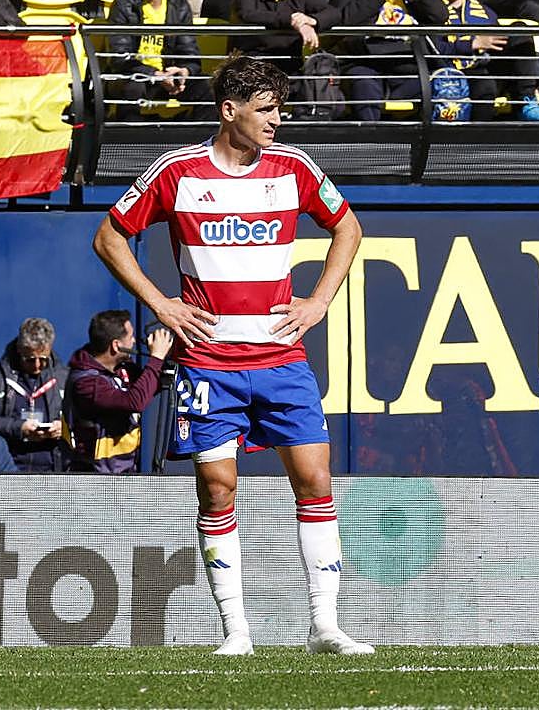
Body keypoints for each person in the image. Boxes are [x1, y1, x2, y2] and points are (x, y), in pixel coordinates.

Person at [92, 54, 372, 656]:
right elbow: (109, 235)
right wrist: (161, 305)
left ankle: (325, 625)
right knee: (218, 489)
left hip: (280, 358)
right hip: (209, 363)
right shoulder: (177, 172)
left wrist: (319, 300)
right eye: (266, 110)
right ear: (230, 111)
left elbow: (347, 227)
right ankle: (235, 632)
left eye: (279, 109)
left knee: (315, 477)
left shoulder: (294, 167)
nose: (277, 121)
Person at [430, 0, 539, 121]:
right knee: (484, 86)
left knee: (519, 30)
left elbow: (497, 45)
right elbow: (434, 50)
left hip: (488, 67)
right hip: (452, 76)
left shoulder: (485, 12)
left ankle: (527, 102)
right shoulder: (432, 12)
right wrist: (473, 44)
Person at [333, 0, 448, 119]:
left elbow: (439, 16)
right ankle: (371, 140)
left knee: (442, 84)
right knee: (364, 81)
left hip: (406, 61)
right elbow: (347, 20)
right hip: (367, 62)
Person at [104, 0, 213, 121]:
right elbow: (119, 57)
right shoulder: (124, 2)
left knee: (210, 86)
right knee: (133, 87)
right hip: (134, 75)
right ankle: (124, 143)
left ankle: (195, 139)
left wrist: (184, 72)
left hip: (168, 78)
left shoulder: (179, 6)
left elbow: (190, 54)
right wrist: (154, 75)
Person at [63, 310, 173, 473]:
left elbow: (147, 387)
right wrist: (156, 358)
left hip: (125, 470)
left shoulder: (121, 368)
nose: (134, 341)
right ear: (116, 345)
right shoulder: (86, 383)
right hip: (96, 477)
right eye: (130, 338)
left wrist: (164, 359)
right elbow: (135, 402)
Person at [0, 317, 70, 472]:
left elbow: (79, 417)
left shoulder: (63, 376)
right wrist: (18, 428)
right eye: (30, 360)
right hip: (8, 464)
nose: (37, 366)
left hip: (53, 465)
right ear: (19, 349)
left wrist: (63, 427)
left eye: (43, 360)